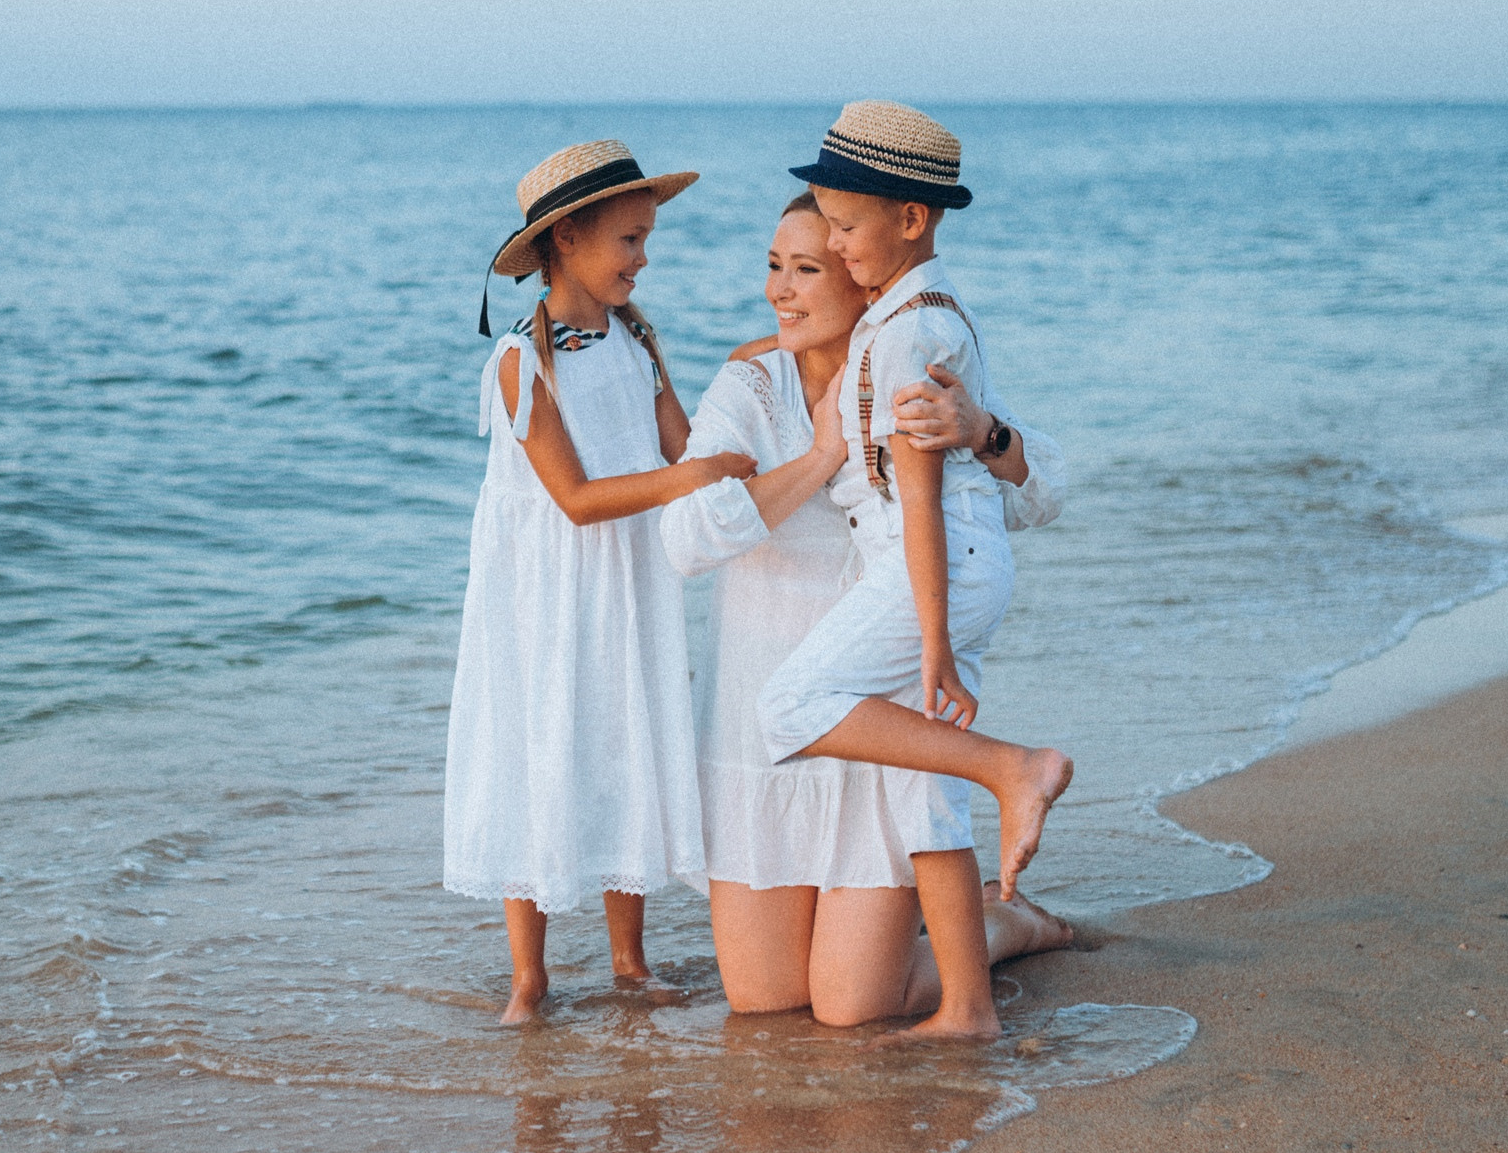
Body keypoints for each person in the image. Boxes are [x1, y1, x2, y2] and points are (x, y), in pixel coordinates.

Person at [664, 191, 1075, 1023]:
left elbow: (1044, 495)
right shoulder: (751, 382)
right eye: (774, 266)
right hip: (766, 745)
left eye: (809, 268)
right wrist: (821, 456)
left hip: (874, 727)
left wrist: (981, 429)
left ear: (862, 278)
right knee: (765, 998)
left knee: (852, 1006)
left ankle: (1004, 925)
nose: (781, 290)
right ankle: (959, 915)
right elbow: (686, 538)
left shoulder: (903, 358)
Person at [444, 140, 756, 1025]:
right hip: (548, 590)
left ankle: (629, 962)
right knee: (539, 743)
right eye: (629, 238)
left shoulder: (636, 338)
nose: (643, 258)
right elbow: (576, 500)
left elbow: (680, 447)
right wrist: (690, 481)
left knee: (629, 738)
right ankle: (528, 978)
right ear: (569, 238)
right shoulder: (520, 360)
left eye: (648, 238)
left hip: (631, 580)